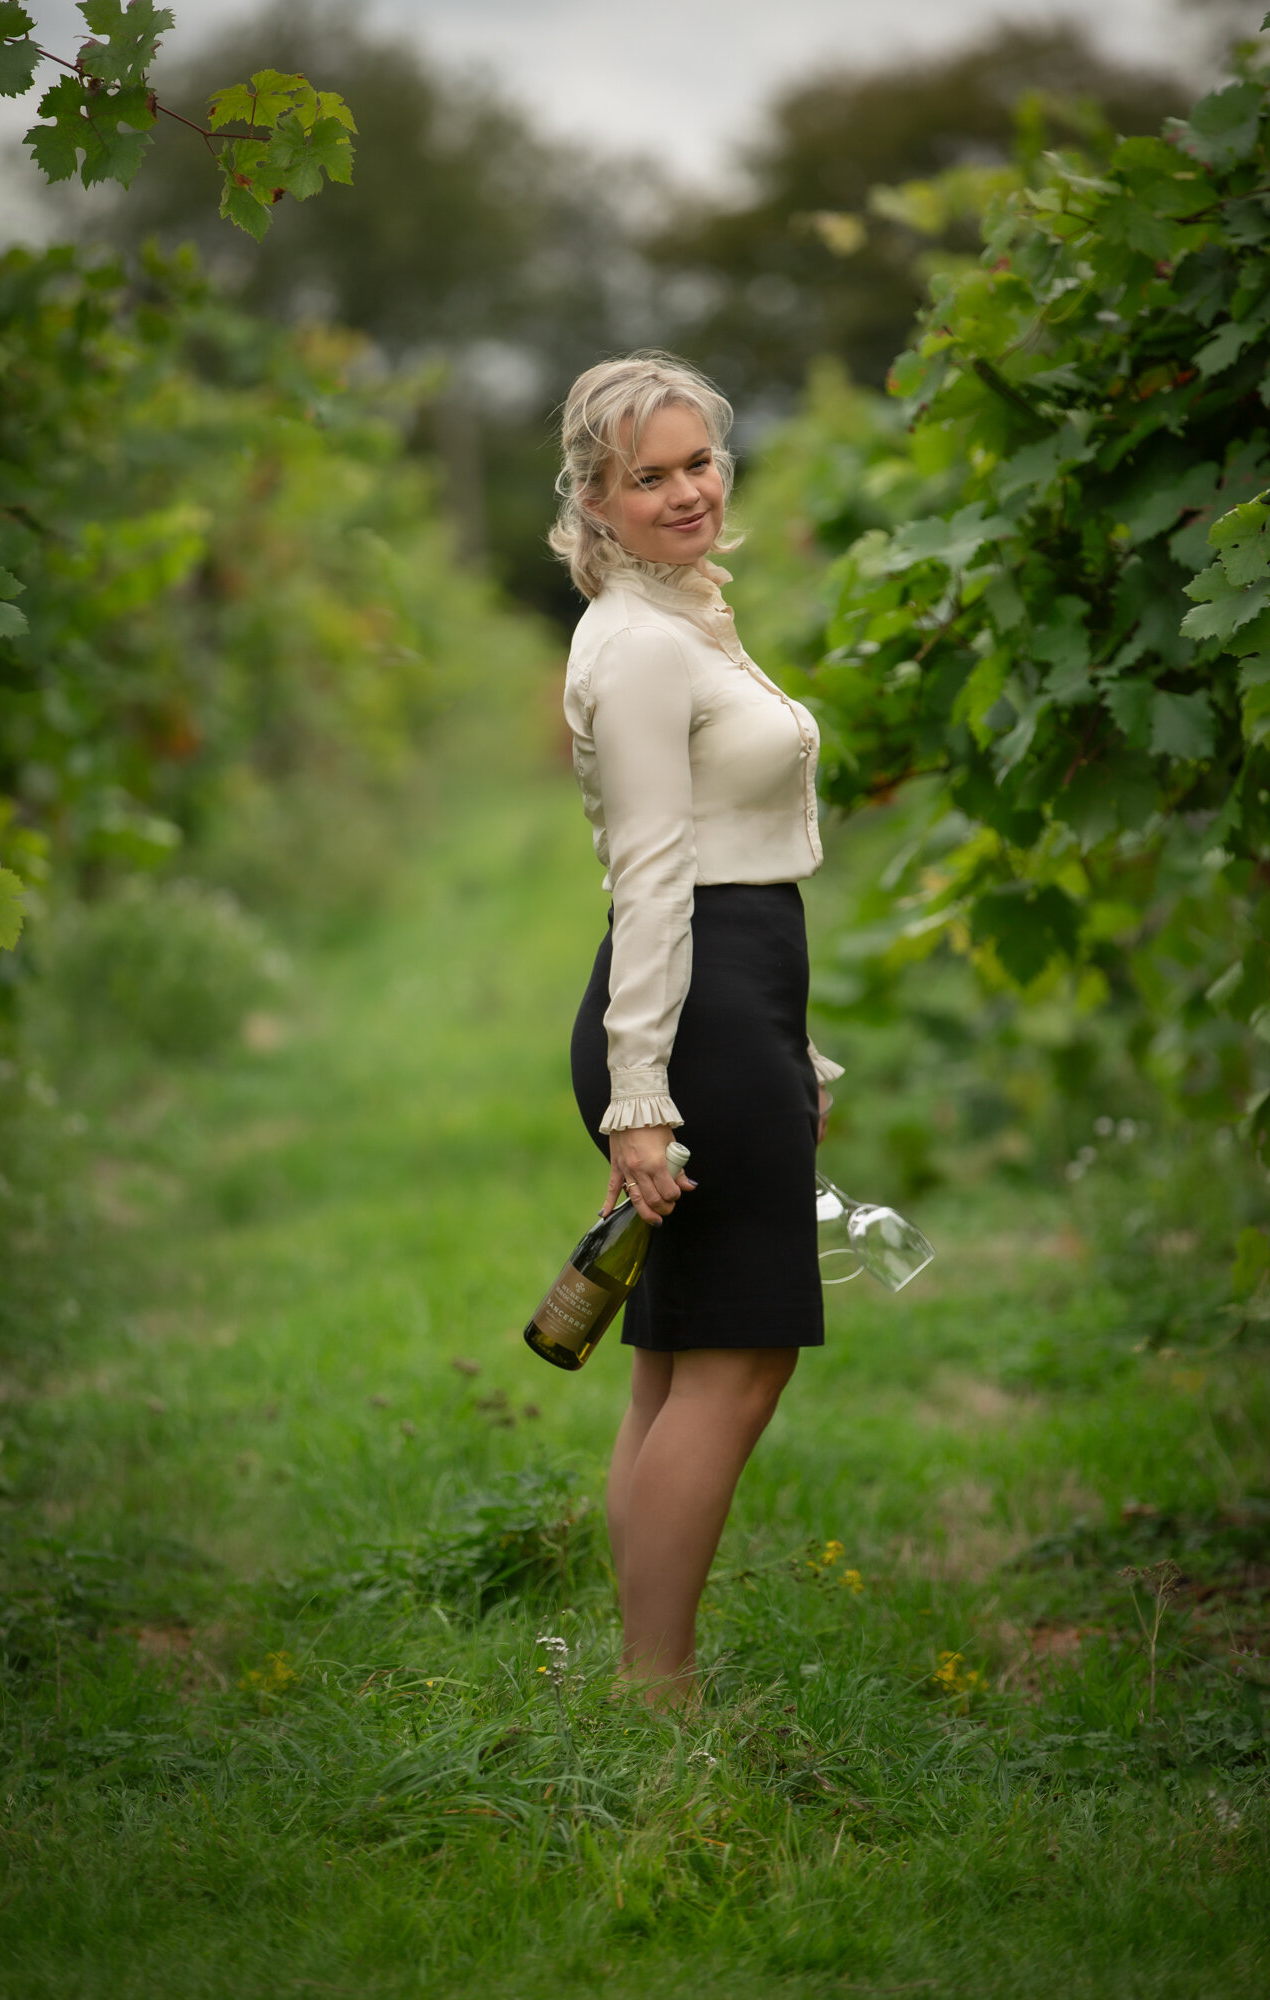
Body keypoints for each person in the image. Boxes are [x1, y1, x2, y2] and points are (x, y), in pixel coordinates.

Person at [550, 351, 844, 1705]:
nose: (685, 491)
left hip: (730, 1002)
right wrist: (642, 1098)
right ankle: (652, 1685)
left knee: (676, 1361)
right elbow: (656, 880)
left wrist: (796, 1050)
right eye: (648, 475)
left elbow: (735, 861)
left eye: (696, 462)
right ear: (595, 501)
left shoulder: (678, 620)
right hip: (690, 1011)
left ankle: (641, 1677)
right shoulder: (638, 646)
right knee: (735, 1358)